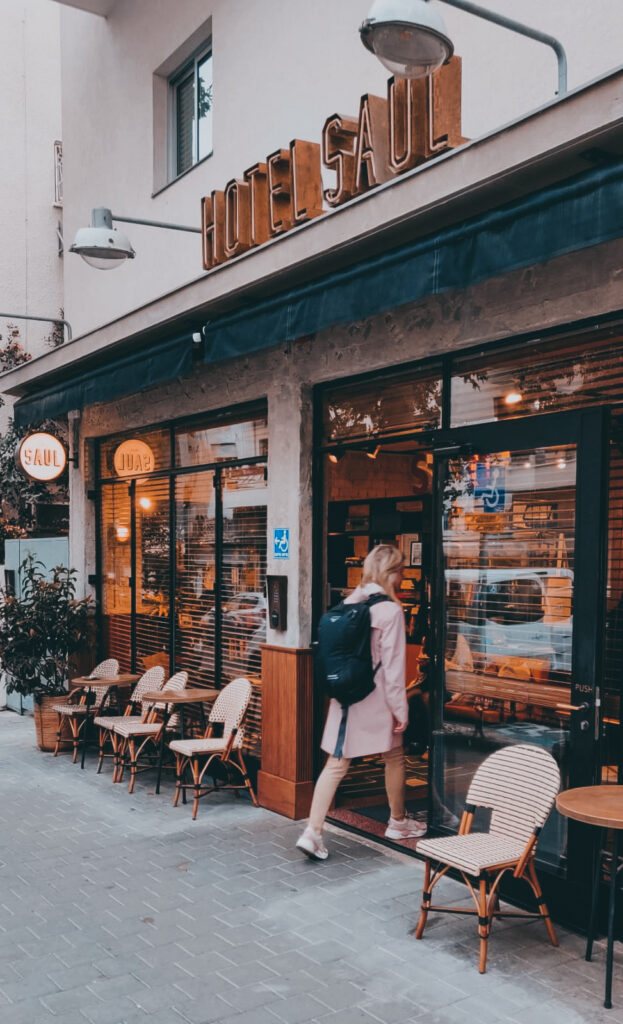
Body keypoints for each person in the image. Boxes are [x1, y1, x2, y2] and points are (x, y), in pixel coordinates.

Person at [296, 543, 426, 861]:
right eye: (400, 571)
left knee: (337, 763)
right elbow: (393, 670)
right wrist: (401, 710)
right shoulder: (391, 611)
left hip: (346, 697)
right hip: (377, 698)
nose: (403, 577)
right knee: (394, 756)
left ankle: (313, 831)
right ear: (391, 573)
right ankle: (397, 822)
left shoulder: (351, 601)